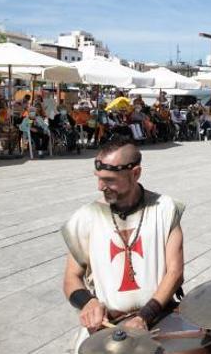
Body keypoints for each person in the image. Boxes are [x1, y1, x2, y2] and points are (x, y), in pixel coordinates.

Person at [61, 139, 184, 351]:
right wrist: (87, 302)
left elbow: (175, 272)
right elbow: (71, 278)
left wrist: (144, 316)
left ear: (135, 173)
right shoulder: (86, 217)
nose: (100, 187)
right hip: (108, 327)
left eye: (109, 180)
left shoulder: (165, 209)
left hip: (158, 316)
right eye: (99, 179)